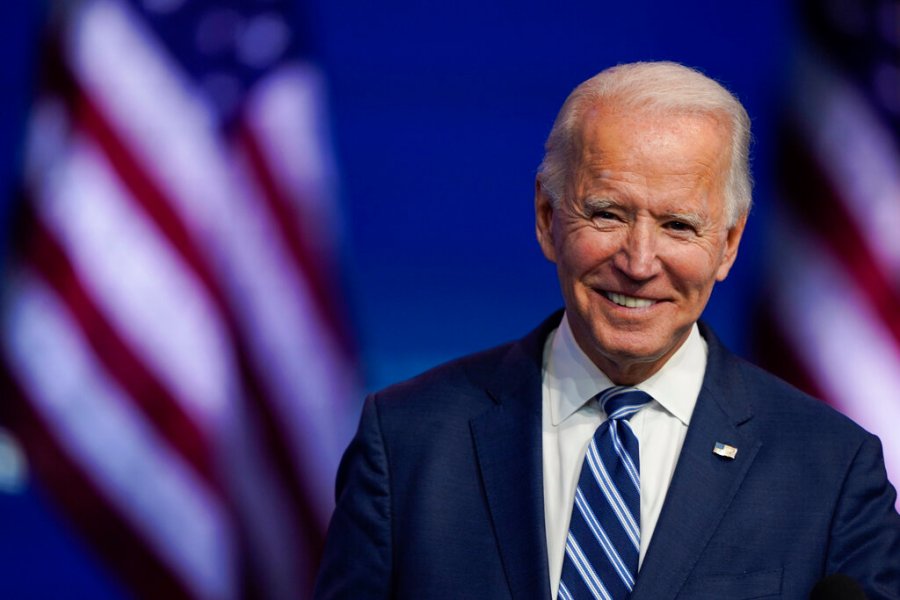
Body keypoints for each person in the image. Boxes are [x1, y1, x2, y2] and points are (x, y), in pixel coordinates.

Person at [313, 62, 900, 599]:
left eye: (677, 225)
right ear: (547, 219)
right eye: (608, 214)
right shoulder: (407, 443)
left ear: (727, 244)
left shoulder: (831, 469)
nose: (640, 263)